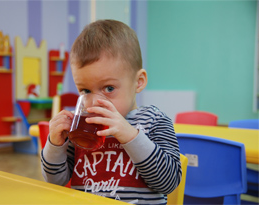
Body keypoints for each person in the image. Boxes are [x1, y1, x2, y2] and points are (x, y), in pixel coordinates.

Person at [41, 19, 182, 204]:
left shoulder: (154, 121)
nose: (95, 102)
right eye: (85, 90)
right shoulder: (82, 128)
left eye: (109, 88)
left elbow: (169, 183)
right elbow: (56, 181)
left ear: (138, 81)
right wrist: (54, 145)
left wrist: (130, 136)